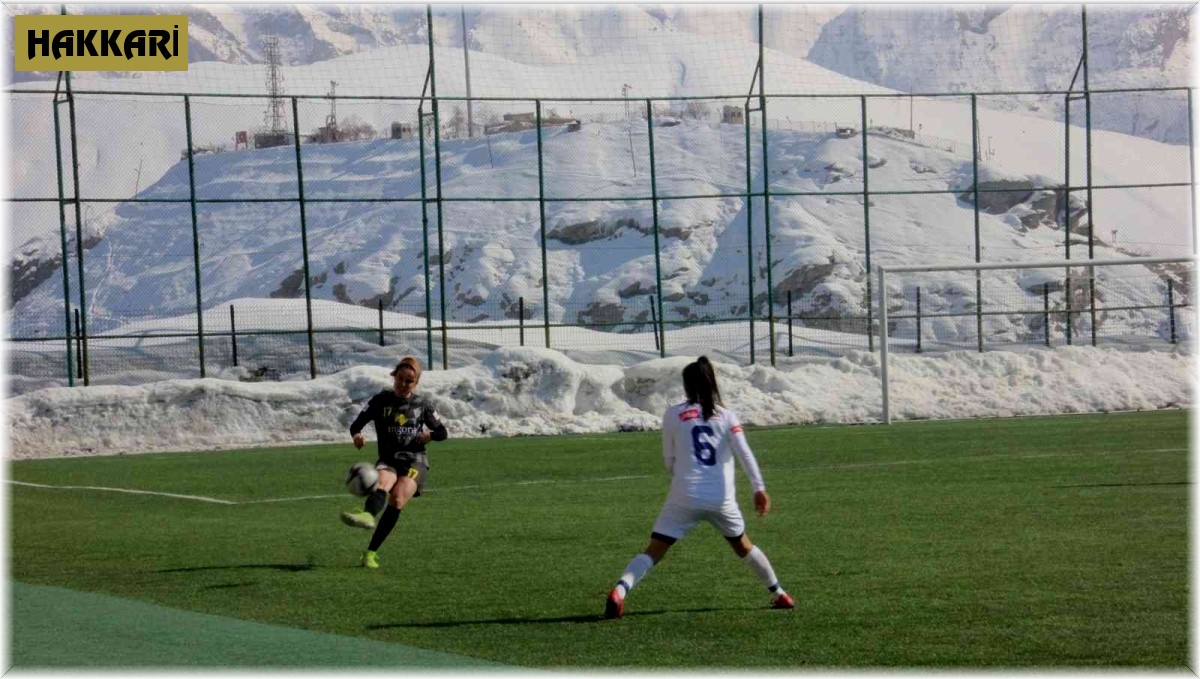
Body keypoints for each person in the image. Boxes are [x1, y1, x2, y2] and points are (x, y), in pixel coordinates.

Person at [605, 356, 794, 618]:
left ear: (686, 386)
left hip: (684, 493)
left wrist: (684, 476)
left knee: (654, 550)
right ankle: (780, 593)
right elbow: (745, 454)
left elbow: (669, 462)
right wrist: (758, 489)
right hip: (721, 498)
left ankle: (620, 591)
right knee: (743, 546)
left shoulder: (673, 414)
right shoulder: (727, 416)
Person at [342, 356, 448, 569]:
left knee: (397, 499)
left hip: (415, 461)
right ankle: (367, 515)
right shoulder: (380, 400)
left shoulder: (422, 405)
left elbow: (443, 432)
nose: (403, 384)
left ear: (415, 383)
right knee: (383, 481)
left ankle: (370, 553)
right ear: (394, 377)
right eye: (400, 378)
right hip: (389, 459)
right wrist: (357, 437)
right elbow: (356, 425)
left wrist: (430, 435)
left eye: (409, 381)